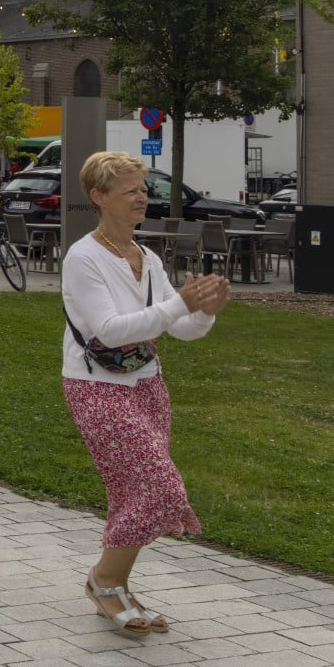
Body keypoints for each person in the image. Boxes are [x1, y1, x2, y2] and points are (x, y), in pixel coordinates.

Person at [62, 150, 228, 637]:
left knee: (132, 491)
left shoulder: (147, 257)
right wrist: (180, 303)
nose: (143, 197)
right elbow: (111, 331)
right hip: (97, 387)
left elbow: (179, 329)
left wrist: (204, 311)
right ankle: (103, 579)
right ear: (99, 196)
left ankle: (118, 586)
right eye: (131, 189)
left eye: (144, 189)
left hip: (148, 384)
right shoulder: (83, 257)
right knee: (159, 489)